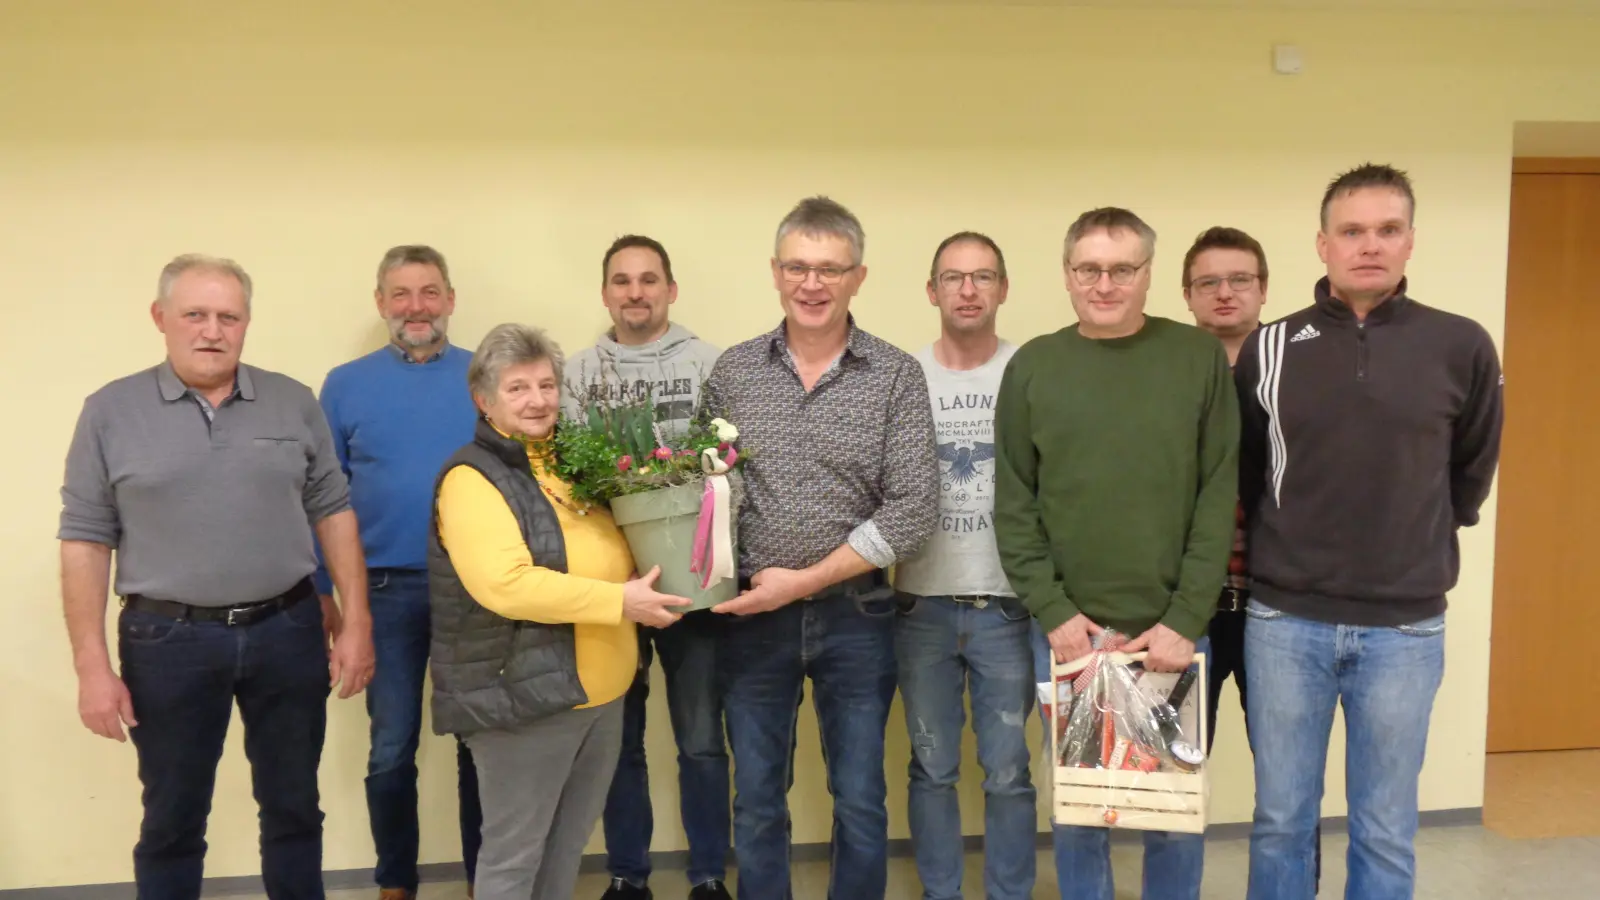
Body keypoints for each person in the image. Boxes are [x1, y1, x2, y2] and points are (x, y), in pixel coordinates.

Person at [59, 253, 375, 900]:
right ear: (161, 319)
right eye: (194, 314)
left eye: (228, 316)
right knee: (173, 820)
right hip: (167, 643)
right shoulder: (110, 412)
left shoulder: (291, 402)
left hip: (288, 631)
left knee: (293, 809)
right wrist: (91, 666)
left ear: (247, 323)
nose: (212, 330)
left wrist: (357, 621)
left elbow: (334, 513)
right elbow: (86, 540)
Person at [1236, 163, 1504, 900]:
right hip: (1286, 622)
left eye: (1388, 230)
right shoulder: (1270, 349)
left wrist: (1413, 537)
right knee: (1282, 820)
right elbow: (1249, 473)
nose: (1370, 245)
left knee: (1384, 825)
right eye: (1352, 231)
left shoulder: (1462, 345)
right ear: (1322, 244)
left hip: (1406, 630)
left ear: (1411, 242)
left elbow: (1471, 469)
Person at [995, 208, 1239, 900]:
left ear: (1147, 275)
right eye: (1089, 270)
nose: (1105, 284)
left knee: (1171, 816)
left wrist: (1185, 619)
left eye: (1121, 269)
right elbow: (1014, 504)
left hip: (1171, 636)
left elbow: (1217, 495)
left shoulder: (1194, 359)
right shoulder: (1035, 367)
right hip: (1076, 636)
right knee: (1082, 814)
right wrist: (1058, 615)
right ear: (1068, 275)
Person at [701, 196, 939, 900]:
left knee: (860, 799)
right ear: (776, 272)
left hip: (856, 617)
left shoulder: (895, 375)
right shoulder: (734, 372)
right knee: (759, 799)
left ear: (858, 277)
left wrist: (800, 583)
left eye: (830, 270)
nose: (813, 283)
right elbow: (711, 493)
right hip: (750, 618)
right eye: (799, 267)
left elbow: (915, 508)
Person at [428, 323, 692, 900]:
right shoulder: (473, 477)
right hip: (522, 697)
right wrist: (622, 601)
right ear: (485, 398)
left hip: (599, 693)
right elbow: (507, 585)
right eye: (518, 388)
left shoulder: (571, 461)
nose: (538, 400)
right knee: (514, 858)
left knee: (565, 849)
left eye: (546, 385)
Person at [563, 235, 730, 900]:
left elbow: (731, 464)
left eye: (649, 280)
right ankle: (628, 876)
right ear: (606, 292)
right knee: (617, 744)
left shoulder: (710, 363)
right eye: (622, 281)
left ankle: (709, 876)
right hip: (612, 591)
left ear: (671, 289)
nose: (636, 292)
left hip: (694, 586)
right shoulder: (577, 372)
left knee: (699, 741)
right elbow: (568, 478)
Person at [314, 245, 482, 900]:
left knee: (480, 742)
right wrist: (326, 592)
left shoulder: (484, 377)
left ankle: (485, 880)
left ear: (450, 299)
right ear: (381, 303)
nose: (417, 307)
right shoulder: (345, 385)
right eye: (401, 294)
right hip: (382, 591)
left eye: (429, 291)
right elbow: (323, 498)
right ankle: (395, 885)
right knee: (391, 748)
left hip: (475, 589)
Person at [892, 231, 1035, 900]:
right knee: (932, 769)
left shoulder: (1031, 371)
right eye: (954, 278)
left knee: (1008, 772)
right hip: (920, 605)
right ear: (933, 291)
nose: (969, 290)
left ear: (1003, 288)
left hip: (1008, 607)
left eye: (983, 277)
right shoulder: (902, 376)